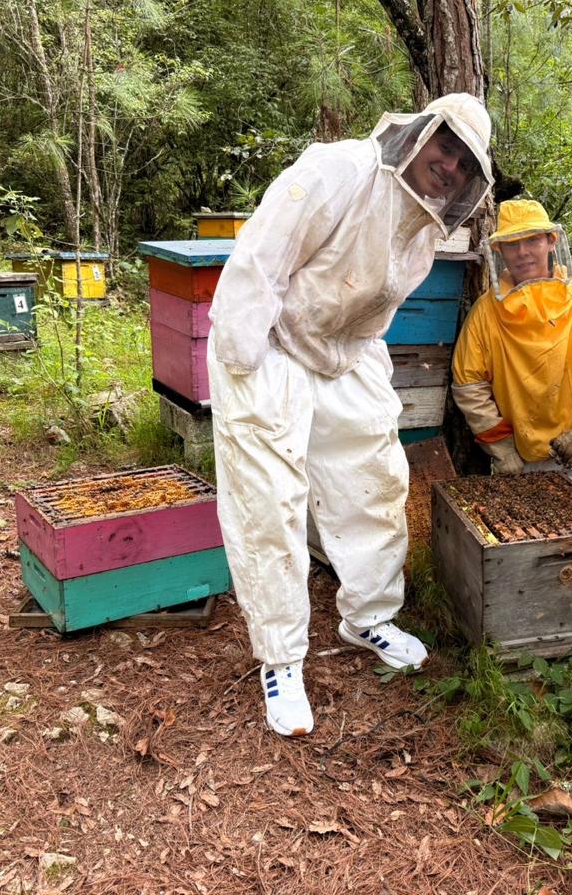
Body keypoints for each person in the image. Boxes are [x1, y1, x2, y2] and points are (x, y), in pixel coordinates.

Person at [207, 95, 493, 737]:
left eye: (462, 164)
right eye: (444, 147)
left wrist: (357, 365)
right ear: (419, 135)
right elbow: (261, 258)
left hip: (347, 353)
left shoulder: (424, 228)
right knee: (270, 503)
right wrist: (244, 364)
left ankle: (368, 616)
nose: (448, 167)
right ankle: (280, 659)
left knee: (378, 481)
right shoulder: (337, 170)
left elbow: (374, 307)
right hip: (272, 344)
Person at [451, 199, 572, 511]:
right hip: (523, 455)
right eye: (512, 244)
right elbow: (469, 385)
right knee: (531, 529)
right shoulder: (486, 312)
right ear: (500, 251)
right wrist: (503, 449)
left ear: (551, 241)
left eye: (532, 240)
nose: (523, 253)